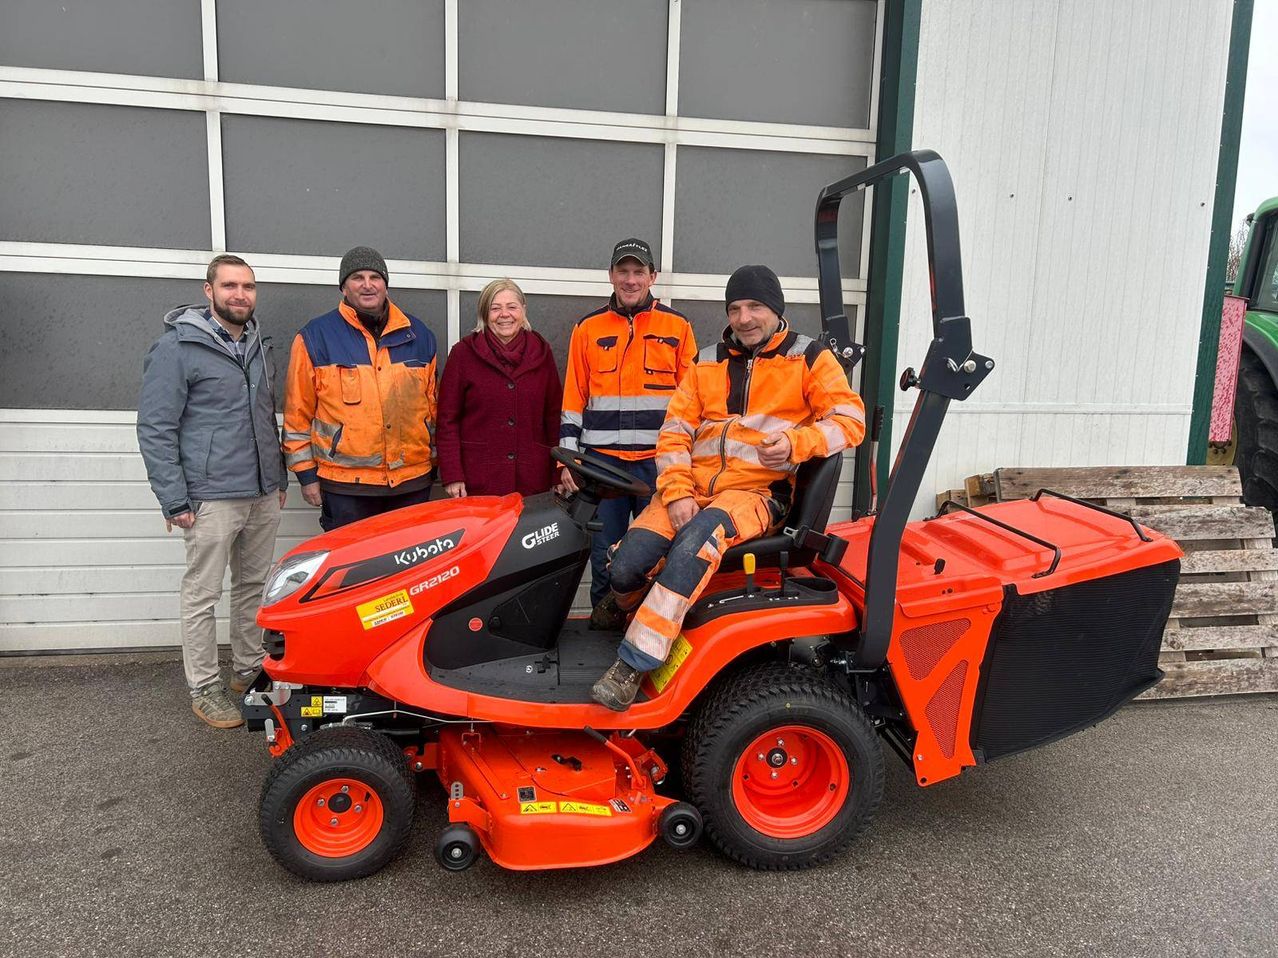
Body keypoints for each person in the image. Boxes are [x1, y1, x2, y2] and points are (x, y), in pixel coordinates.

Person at [590, 265, 867, 710]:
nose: (744, 318)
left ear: (776, 310)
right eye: (735, 308)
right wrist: (678, 492)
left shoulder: (809, 359)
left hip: (755, 494)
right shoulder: (706, 361)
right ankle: (626, 604)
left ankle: (633, 664)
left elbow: (851, 422)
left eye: (755, 306)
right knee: (623, 567)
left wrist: (798, 441)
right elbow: (675, 432)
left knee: (693, 546)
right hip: (692, 486)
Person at [137, 254, 288, 729]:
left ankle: (247, 669)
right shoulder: (177, 348)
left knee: (251, 587)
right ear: (209, 291)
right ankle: (204, 686)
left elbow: (264, 416)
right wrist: (174, 499)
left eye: (247, 286)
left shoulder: (259, 346)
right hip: (211, 495)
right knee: (202, 593)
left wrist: (278, 477)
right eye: (229, 286)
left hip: (262, 491)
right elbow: (156, 427)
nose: (239, 294)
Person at [560, 238, 697, 629]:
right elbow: (574, 396)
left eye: (639, 272)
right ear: (611, 276)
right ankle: (604, 631)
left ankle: (649, 632)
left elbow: (693, 402)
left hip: (659, 468)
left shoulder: (677, 326)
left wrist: (690, 463)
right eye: (624, 271)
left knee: (660, 555)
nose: (631, 279)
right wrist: (569, 458)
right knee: (605, 555)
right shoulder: (587, 328)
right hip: (604, 470)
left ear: (653, 277)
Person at [282, 246, 438, 530]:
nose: (367, 285)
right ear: (343, 287)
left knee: (409, 570)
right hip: (346, 488)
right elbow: (297, 415)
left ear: (385, 285)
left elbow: (434, 407)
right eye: (357, 277)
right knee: (352, 571)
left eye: (375, 277)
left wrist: (438, 464)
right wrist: (306, 475)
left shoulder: (419, 335)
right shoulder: (315, 337)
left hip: (411, 482)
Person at [436, 279, 562, 498]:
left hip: (532, 480)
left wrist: (557, 473)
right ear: (485, 314)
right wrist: (453, 473)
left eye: (512, 307)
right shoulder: (463, 354)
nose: (505, 314)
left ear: (523, 310)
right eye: (495, 308)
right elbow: (447, 420)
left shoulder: (542, 353)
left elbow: (553, 418)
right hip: (479, 480)